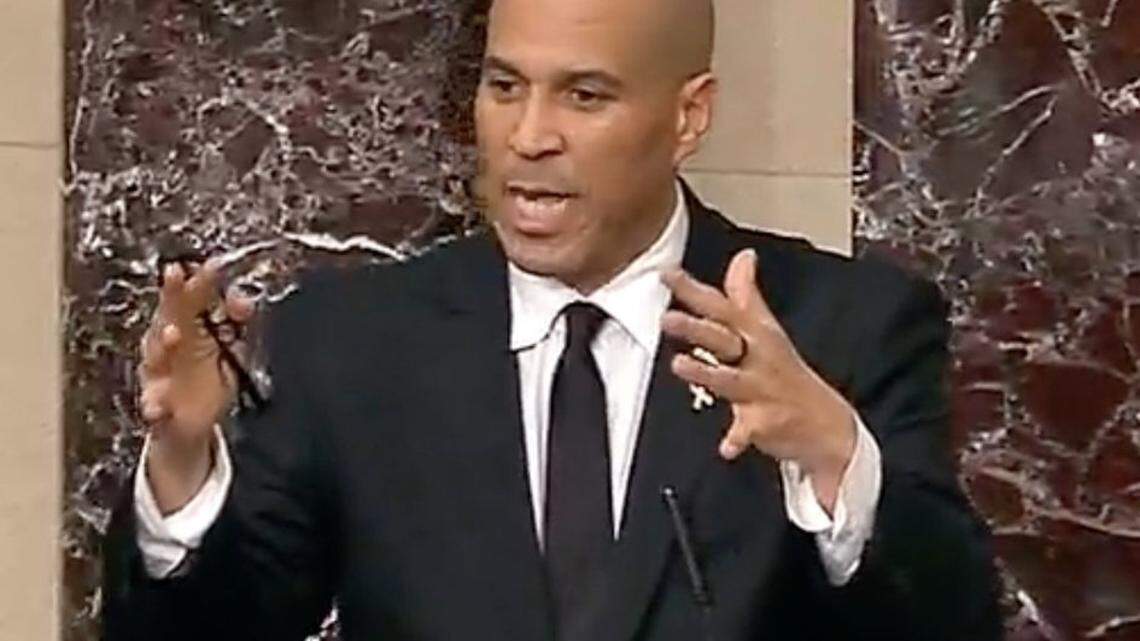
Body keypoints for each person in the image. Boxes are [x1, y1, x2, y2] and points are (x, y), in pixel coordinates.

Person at [102, 0, 1003, 639]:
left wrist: (833, 456)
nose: (529, 135)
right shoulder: (350, 343)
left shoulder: (840, 327)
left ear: (688, 116)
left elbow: (951, 623)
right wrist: (183, 466)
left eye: (584, 95)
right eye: (504, 86)